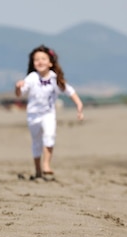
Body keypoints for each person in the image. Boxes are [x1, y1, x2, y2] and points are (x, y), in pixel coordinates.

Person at [15, 45, 84, 180]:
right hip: (33, 115)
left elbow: (70, 91)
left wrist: (79, 105)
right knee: (36, 142)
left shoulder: (54, 78)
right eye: (36, 60)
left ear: (50, 62)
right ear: (33, 64)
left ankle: (46, 164)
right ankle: (38, 170)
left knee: (49, 135)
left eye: (43, 59)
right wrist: (17, 87)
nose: (40, 62)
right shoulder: (32, 77)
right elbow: (19, 94)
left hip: (48, 114)